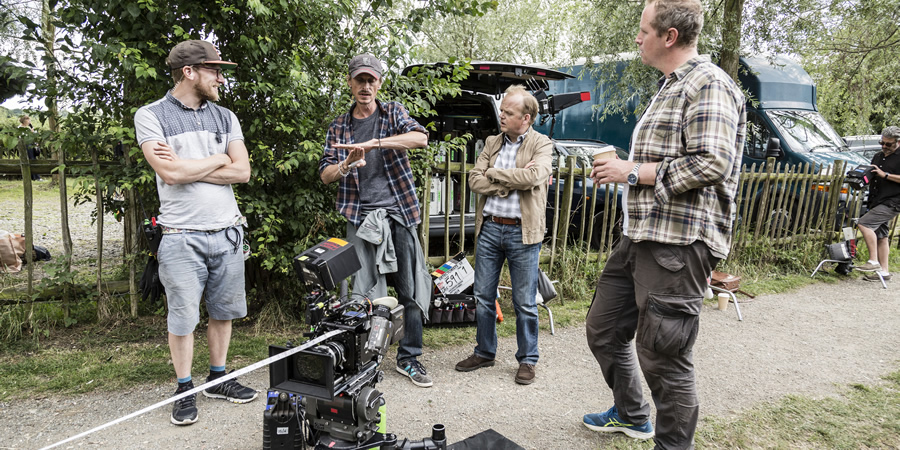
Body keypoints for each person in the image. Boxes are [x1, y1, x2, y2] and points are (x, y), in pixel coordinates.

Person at [582, 0, 746, 447]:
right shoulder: (670, 86)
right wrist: (628, 167)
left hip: (679, 244)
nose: (637, 38)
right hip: (639, 237)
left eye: (643, 30)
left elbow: (712, 161)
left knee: (665, 357)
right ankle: (633, 414)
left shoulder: (708, 83)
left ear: (668, 36)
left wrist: (630, 171)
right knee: (604, 329)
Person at [134, 40, 256, 426]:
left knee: (224, 313)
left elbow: (243, 172)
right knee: (183, 317)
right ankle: (184, 387)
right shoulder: (151, 116)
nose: (221, 78)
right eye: (214, 70)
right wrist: (220, 158)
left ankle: (218, 378)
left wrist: (196, 164)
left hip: (228, 232)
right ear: (189, 72)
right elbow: (169, 174)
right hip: (179, 234)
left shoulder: (225, 117)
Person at [318, 53, 433, 388]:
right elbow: (325, 175)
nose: (365, 86)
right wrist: (346, 165)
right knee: (361, 293)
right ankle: (363, 359)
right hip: (360, 216)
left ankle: (409, 357)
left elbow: (420, 138)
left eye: (371, 80)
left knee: (409, 289)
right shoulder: (339, 126)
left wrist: (374, 143)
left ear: (379, 83)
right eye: (360, 80)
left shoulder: (393, 112)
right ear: (350, 83)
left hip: (398, 213)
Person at [454, 85, 552, 385]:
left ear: (526, 118)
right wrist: (508, 182)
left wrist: (494, 173)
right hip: (490, 227)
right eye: (503, 111)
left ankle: (528, 360)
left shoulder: (541, 143)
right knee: (483, 296)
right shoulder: (492, 142)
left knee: (524, 301)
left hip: (523, 232)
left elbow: (535, 176)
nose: (502, 116)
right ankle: (485, 352)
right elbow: (474, 180)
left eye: (508, 113)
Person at [854, 126, 900, 281]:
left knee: (864, 223)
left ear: (898, 143)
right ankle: (884, 272)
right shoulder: (878, 156)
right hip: (877, 199)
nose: (884, 147)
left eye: (889, 144)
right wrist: (861, 177)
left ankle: (873, 261)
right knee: (882, 236)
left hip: (893, 201)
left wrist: (885, 175)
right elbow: (874, 175)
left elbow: (884, 175)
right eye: (882, 143)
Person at [18, 115, 42, 181]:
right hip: (26, 146)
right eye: (28, 120)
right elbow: (22, 138)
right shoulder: (20, 128)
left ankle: (36, 177)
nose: (29, 122)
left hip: (31, 145)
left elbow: (33, 136)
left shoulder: (28, 128)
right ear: (24, 120)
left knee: (33, 159)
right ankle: (34, 177)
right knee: (30, 160)